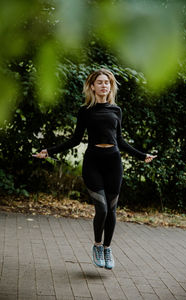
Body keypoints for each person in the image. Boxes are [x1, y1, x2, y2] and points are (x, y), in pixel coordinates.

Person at [33, 68, 157, 270]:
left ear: (111, 86)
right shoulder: (85, 111)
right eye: (99, 82)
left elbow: (120, 140)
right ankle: (97, 245)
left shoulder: (116, 110)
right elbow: (75, 140)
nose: (104, 85)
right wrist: (49, 151)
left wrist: (142, 156)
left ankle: (108, 248)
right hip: (93, 162)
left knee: (112, 209)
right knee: (102, 208)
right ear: (92, 86)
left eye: (107, 82)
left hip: (113, 163)